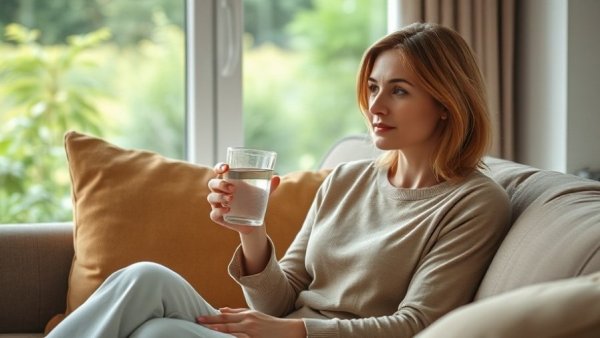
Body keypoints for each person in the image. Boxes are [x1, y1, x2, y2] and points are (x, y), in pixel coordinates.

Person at [46, 22, 510, 338]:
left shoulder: (474, 202)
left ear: (447, 102)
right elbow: (280, 298)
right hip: (281, 333)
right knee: (146, 281)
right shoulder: (346, 180)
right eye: (373, 87)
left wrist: (296, 331)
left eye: (399, 91)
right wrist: (252, 231)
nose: (376, 106)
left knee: (158, 333)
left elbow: (416, 324)